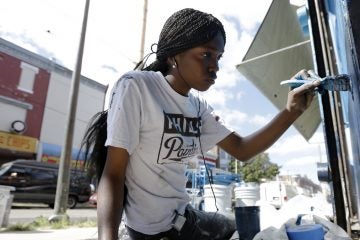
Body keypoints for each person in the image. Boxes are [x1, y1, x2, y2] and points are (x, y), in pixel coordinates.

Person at [81, 8, 320, 240]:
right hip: (149, 231)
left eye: (218, 57)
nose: (215, 66)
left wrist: (291, 111)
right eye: (206, 54)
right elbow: (113, 173)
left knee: (238, 227)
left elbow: (242, 149)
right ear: (175, 55)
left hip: (183, 221)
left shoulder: (198, 107)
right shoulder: (137, 87)